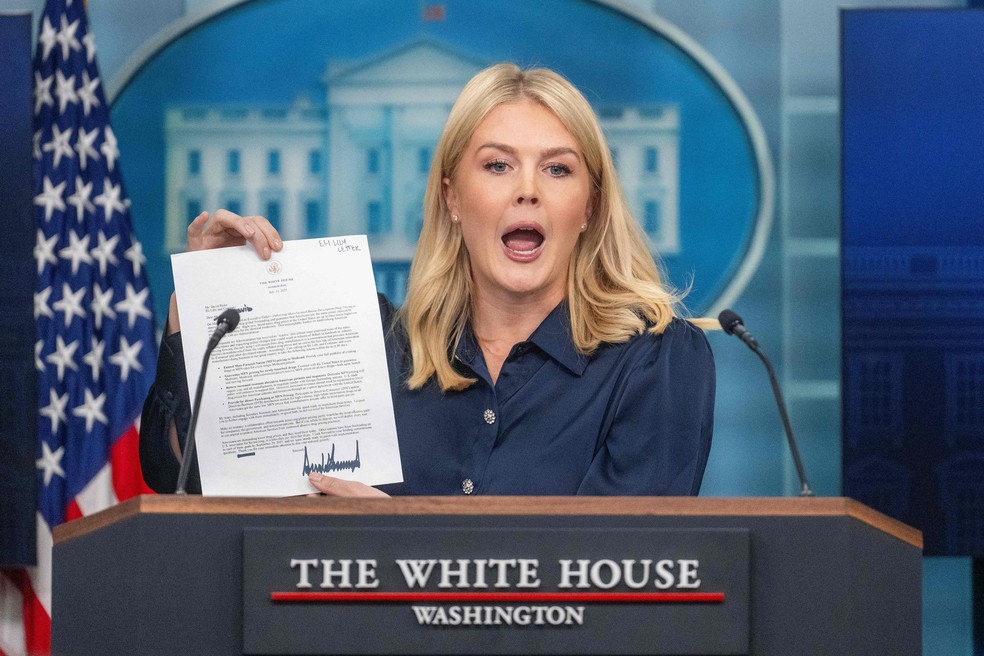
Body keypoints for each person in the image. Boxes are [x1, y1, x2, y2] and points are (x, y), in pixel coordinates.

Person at [139, 63, 715, 497]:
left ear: (588, 206)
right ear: (452, 197)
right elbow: (181, 476)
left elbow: (622, 575)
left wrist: (398, 541)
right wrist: (202, 305)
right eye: (497, 164)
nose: (528, 189)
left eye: (558, 168)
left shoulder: (657, 361)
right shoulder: (373, 344)